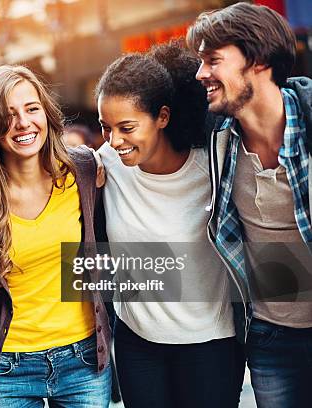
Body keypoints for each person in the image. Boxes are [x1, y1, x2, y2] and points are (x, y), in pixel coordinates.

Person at [96, 41, 243, 408]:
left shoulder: (212, 167)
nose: (115, 141)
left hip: (210, 345)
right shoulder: (105, 165)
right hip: (137, 345)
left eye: (126, 127)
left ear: (162, 116)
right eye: (105, 128)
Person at [0, 65, 112, 407]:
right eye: (8, 114)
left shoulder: (84, 170)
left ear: (46, 112)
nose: (23, 123)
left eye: (31, 109)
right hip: (7, 365)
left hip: (84, 358)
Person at [187, 3, 312, 407]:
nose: (201, 73)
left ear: (257, 60)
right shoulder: (217, 139)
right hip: (269, 337)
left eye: (213, 60)